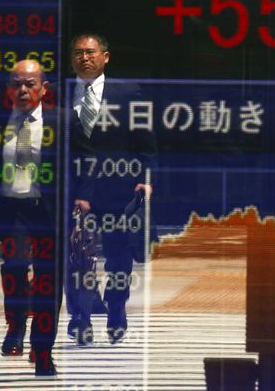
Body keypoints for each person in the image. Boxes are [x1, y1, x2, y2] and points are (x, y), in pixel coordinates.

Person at [66, 33, 156, 346]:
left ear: (105, 56)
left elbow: (145, 143)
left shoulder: (129, 93)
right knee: (77, 258)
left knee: (119, 259)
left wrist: (145, 180)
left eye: (90, 52)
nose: (84, 58)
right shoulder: (59, 95)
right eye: (78, 53)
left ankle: (116, 308)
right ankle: (81, 317)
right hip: (75, 191)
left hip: (119, 190)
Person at [0, 60, 62, 377]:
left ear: (44, 88)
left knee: (47, 279)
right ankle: (15, 327)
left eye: (30, 84)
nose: (23, 90)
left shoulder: (60, 121)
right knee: (14, 267)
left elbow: (80, 160)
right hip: (11, 207)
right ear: (8, 89)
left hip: (47, 210)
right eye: (16, 84)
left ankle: (43, 350)